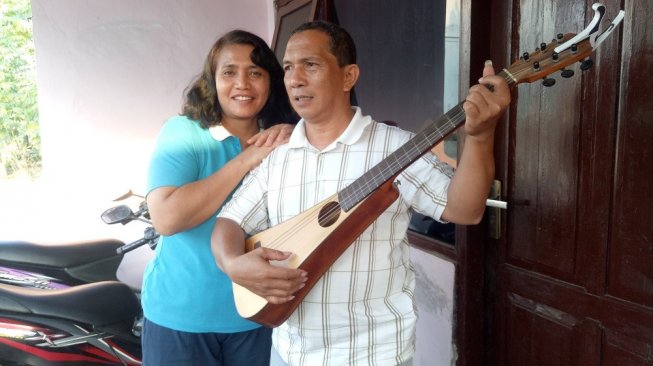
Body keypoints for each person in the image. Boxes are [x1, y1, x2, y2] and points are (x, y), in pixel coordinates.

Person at [211, 21, 510, 365]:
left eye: (311, 64)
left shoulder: (397, 148)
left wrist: (481, 135)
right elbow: (229, 222)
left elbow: (465, 210)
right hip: (289, 352)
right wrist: (232, 263)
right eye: (289, 68)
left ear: (349, 76)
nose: (294, 79)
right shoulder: (278, 155)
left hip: (373, 354)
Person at [141, 29, 297, 366]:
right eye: (229, 72)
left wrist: (290, 135)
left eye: (255, 72)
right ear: (212, 81)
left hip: (259, 314)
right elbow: (166, 219)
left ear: (271, 82)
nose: (242, 83)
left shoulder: (287, 140)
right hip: (181, 318)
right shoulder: (183, 132)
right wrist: (246, 159)